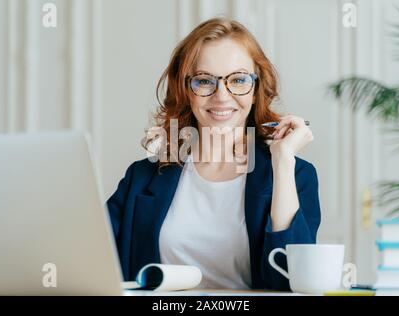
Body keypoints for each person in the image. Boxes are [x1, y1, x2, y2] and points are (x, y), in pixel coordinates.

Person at [107, 18, 321, 291]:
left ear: (255, 90)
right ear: (186, 90)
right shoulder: (142, 176)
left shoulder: (295, 174)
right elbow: (88, 258)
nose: (222, 96)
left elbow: (294, 281)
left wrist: (282, 161)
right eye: (205, 81)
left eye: (239, 80)